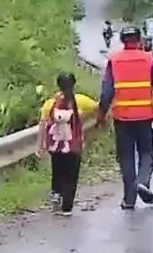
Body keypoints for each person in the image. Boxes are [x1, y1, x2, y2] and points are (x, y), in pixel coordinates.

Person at [96, 24, 153, 210]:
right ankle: (143, 182)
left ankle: (129, 199)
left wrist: (101, 115)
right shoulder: (150, 60)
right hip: (145, 117)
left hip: (122, 119)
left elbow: (106, 93)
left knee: (126, 157)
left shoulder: (114, 61)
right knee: (147, 153)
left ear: (123, 41)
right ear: (139, 40)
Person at [36, 72, 98, 216]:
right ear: (74, 84)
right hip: (73, 144)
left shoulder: (50, 103)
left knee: (58, 170)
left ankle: (56, 194)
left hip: (56, 146)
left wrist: (40, 145)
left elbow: (43, 124)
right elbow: (97, 108)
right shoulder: (81, 101)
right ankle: (67, 206)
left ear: (57, 85)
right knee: (72, 174)